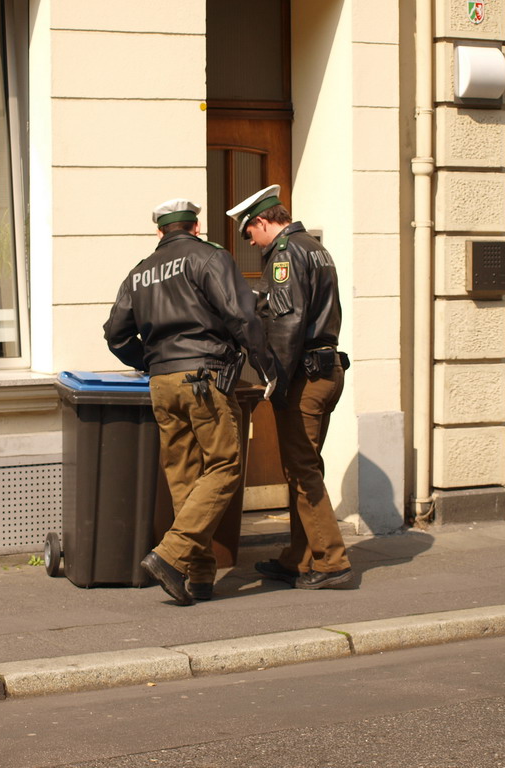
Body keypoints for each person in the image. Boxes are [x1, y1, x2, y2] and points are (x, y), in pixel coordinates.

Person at [104, 198, 277, 605]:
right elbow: (242, 315)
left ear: (160, 231)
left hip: (162, 382)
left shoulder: (140, 272)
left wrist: (151, 362)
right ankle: (171, 553)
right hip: (205, 376)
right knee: (225, 466)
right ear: (196, 227)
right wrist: (266, 366)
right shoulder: (209, 257)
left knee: (184, 477)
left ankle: (198, 577)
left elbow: (116, 334)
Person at [226, 184, 354, 590]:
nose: (250, 242)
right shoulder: (315, 248)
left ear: (263, 222)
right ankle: (301, 557)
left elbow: (286, 323)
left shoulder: (284, 254)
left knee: (302, 469)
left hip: (304, 375)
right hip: (327, 369)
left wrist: (273, 378)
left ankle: (331, 561)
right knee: (304, 465)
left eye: (249, 233)